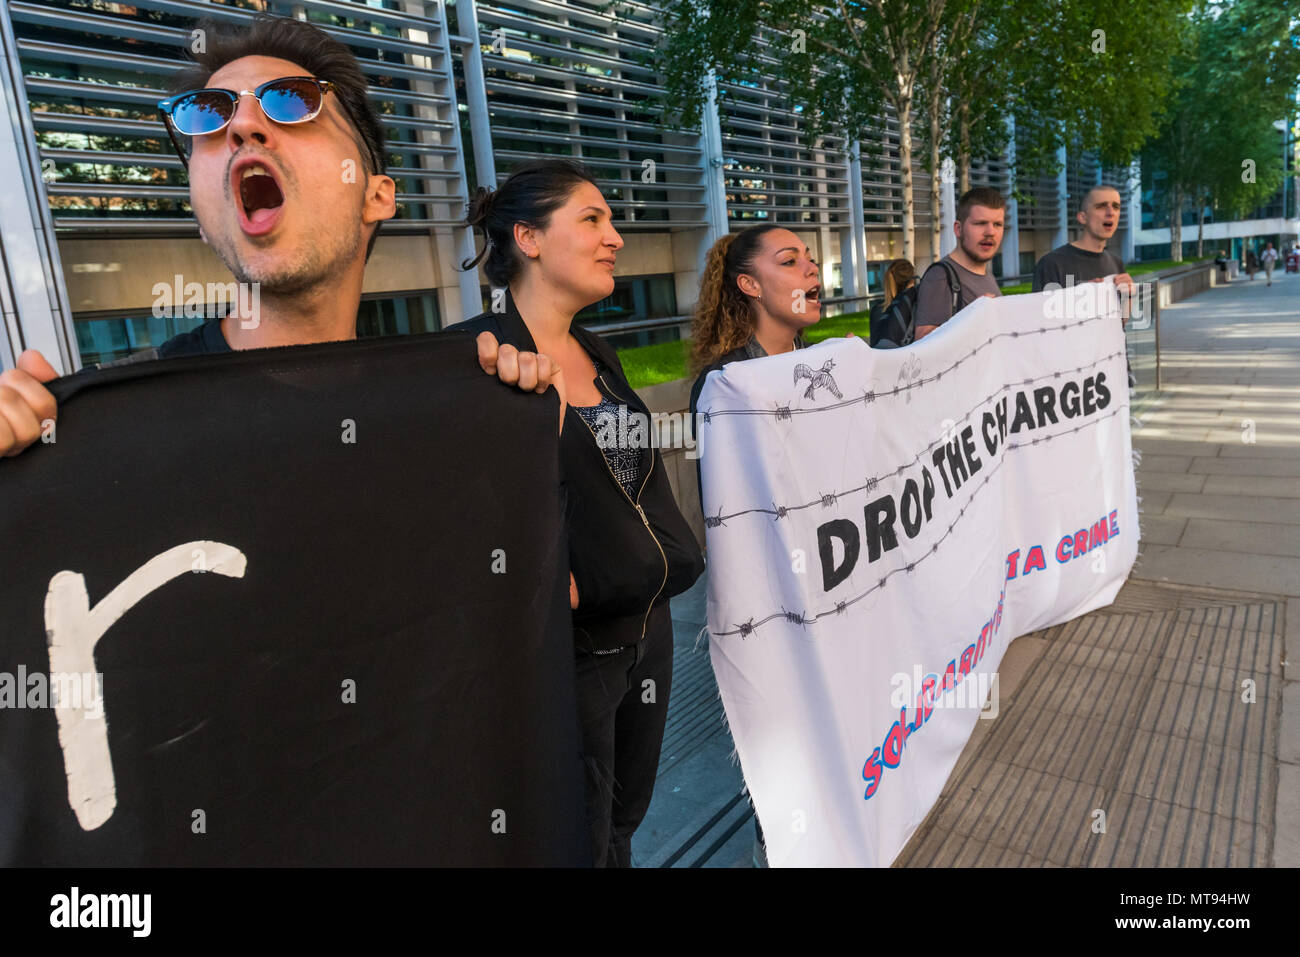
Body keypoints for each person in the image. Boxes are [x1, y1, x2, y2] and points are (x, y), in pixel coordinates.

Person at [0, 14, 556, 451]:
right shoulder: (105, 427)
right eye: (207, 115)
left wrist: (508, 414)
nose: (242, 125)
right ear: (200, 214)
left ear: (376, 196)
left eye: (292, 101)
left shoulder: (451, 402)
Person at [450, 160, 706, 868]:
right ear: (529, 239)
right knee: (577, 838)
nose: (615, 237)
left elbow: (629, 485)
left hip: (647, 631)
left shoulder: (597, 352)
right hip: (573, 656)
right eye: (592, 219)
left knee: (622, 822)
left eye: (612, 221)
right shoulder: (482, 356)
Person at [685, 223, 824, 868]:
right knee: (787, 747)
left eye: (812, 260)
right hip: (773, 606)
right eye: (789, 261)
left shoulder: (825, 365)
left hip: (833, 583)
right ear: (748, 285)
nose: (811, 271)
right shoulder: (727, 385)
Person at [913, 186, 1006, 339]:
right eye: (980, 223)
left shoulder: (987, 275)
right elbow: (923, 340)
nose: (991, 232)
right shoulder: (940, 276)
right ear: (958, 229)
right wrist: (972, 317)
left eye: (997, 224)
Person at [1032, 185, 1137, 313]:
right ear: (1082, 217)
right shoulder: (1051, 264)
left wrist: (1129, 296)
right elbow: (1040, 322)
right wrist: (1080, 300)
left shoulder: (1116, 262)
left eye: (1116, 207)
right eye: (1102, 206)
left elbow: (1121, 322)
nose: (1111, 213)